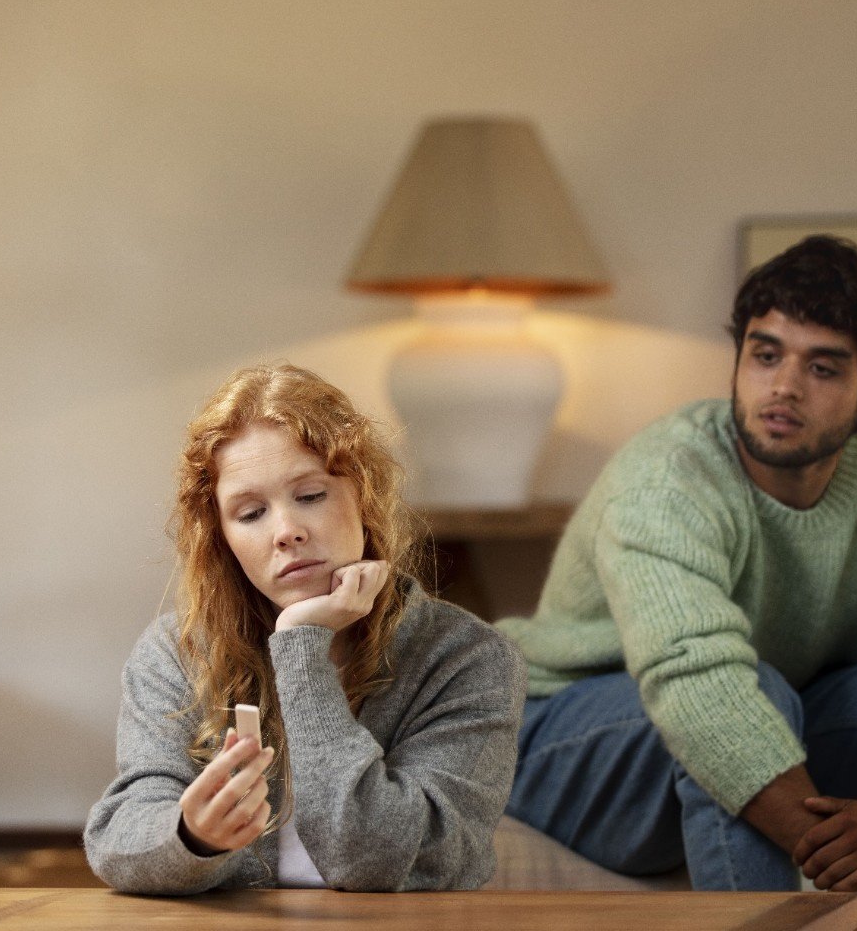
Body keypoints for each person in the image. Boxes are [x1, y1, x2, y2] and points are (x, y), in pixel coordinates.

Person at [497, 235, 857, 930]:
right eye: (765, 356)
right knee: (744, 694)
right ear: (738, 364)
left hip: (768, 717)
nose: (784, 387)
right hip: (562, 744)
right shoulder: (669, 478)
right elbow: (700, 690)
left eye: (822, 368)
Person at [85, 363, 527, 893]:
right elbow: (117, 838)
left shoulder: (468, 657)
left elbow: (373, 858)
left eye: (311, 496)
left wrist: (300, 647)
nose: (287, 532)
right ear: (222, 538)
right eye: (250, 514)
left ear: (364, 496)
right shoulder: (177, 651)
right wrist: (192, 835)